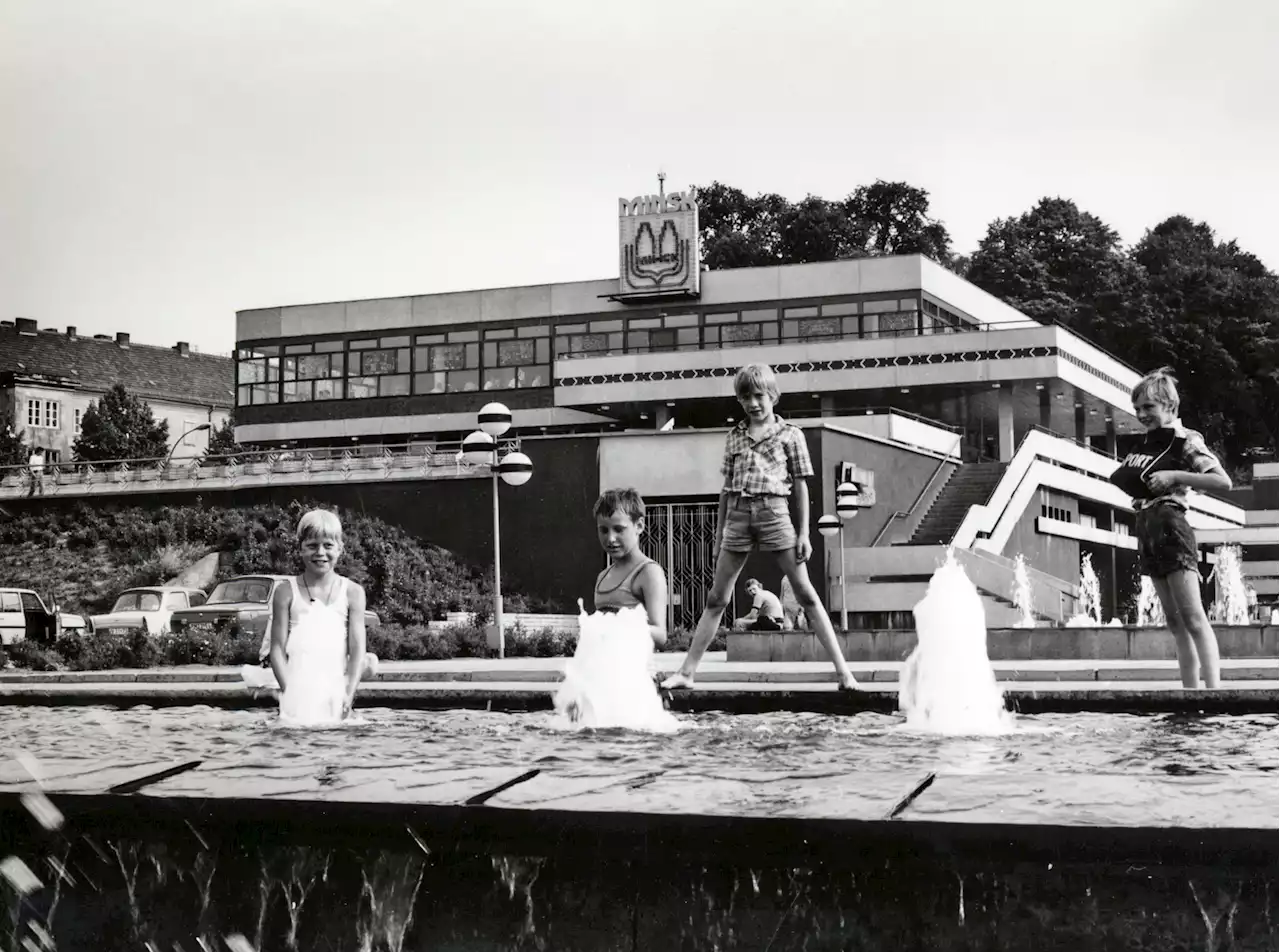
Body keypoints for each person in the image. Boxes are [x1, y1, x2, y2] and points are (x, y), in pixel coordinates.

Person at [662, 363, 859, 691]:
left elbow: (800, 486)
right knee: (716, 599)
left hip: (775, 511)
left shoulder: (791, 435)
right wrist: (718, 535)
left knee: (806, 595)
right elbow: (726, 489)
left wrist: (804, 533)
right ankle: (686, 673)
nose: (753, 403)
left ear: (773, 396)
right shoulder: (734, 437)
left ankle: (844, 674)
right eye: (745, 397)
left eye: (759, 395)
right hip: (738, 516)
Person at [1108, 367, 1231, 689]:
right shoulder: (1147, 445)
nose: (1141, 414)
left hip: (1172, 524)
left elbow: (1222, 480)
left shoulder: (1185, 440)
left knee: (1193, 617)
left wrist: (1175, 477)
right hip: (1147, 526)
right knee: (1174, 622)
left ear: (1170, 407)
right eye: (1137, 409)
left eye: (1149, 407)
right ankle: (1189, 692)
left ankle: (1213, 692)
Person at [266, 509, 379, 723]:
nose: (320, 553)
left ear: (340, 549)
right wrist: (290, 693)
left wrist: (348, 693)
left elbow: (357, 651)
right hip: (297, 687)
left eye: (328, 545)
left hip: (334, 689)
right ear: (300, 549)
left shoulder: (353, 592)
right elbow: (277, 649)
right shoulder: (285, 591)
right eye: (311, 546)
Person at [592, 487, 667, 646]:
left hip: (634, 669)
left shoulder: (648, 572)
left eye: (619, 529)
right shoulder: (603, 576)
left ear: (639, 526)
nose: (611, 538)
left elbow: (660, 635)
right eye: (604, 530)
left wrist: (619, 627)